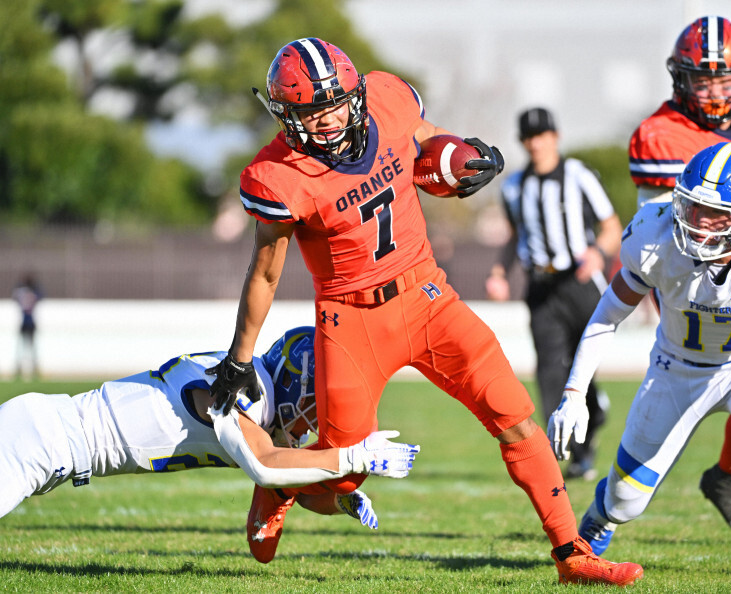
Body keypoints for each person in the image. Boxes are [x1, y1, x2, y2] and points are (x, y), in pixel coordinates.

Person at [207, 37, 643, 585]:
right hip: (351, 319)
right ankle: (278, 483)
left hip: (427, 296)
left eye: (335, 104)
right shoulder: (277, 174)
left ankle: (571, 554)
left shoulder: (388, 100)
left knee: (514, 417)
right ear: (286, 115)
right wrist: (239, 357)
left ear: (357, 94)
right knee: (345, 476)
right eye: (310, 112)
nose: (326, 121)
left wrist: (463, 158)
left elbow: (426, 139)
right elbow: (266, 271)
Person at [547, 142, 731, 577]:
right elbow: (607, 315)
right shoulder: (655, 233)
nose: (697, 224)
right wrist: (573, 394)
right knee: (626, 502)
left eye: (714, 214)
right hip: (674, 368)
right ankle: (598, 521)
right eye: (693, 207)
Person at [0, 326, 421, 560]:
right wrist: (353, 457)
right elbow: (265, 465)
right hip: (40, 443)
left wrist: (340, 499)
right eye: (315, 404)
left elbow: (287, 487)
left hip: (46, 437)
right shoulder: (248, 395)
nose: (314, 419)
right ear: (297, 384)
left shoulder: (256, 391)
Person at [628, 15, 731, 543]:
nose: (716, 94)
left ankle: (727, 477)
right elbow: (675, 226)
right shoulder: (659, 136)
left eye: (725, 81)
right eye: (703, 80)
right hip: (689, 270)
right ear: (681, 81)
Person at [486, 107, 622, 481]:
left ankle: (594, 412)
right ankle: (572, 455)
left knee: (583, 367)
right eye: (529, 137)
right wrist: (500, 272)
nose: (536, 143)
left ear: (555, 137)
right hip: (540, 285)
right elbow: (515, 237)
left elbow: (611, 226)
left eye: (542, 135)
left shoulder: (578, 176)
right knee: (549, 370)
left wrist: (598, 254)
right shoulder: (514, 186)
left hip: (578, 282)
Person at [12, 274, 43, 380]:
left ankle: (20, 369)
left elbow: (15, 296)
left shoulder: (21, 292)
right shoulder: (34, 292)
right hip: (30, 322)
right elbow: (41, 296)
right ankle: (32, 369)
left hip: (25, 322)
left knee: (23, 348)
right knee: (29, 348)